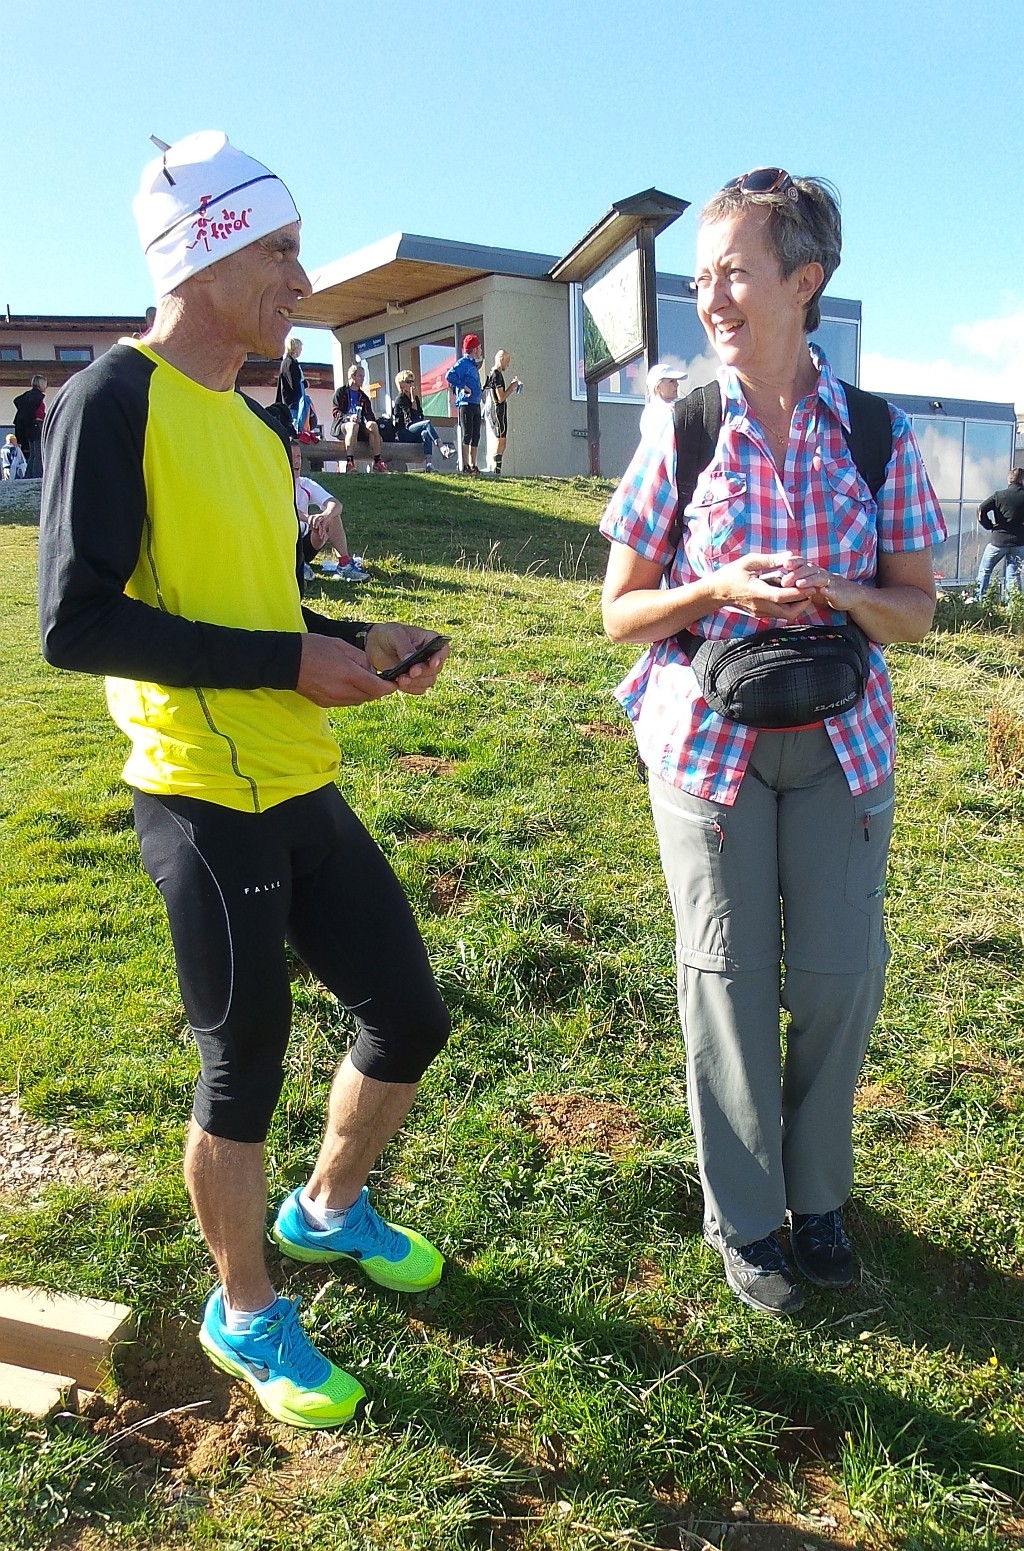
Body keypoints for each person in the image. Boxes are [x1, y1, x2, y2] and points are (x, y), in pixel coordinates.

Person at [38, 130, 453, 1429]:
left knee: (409, 1013)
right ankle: (243, 1306)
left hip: (297, 771)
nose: (302, 273)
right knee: (244, 1064)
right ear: (204, 254)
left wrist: (347, 641)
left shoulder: (256, 424)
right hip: (201, 791)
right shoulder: (109, 397)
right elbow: (76, 621)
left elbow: (253, 595)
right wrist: (288, 655)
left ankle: (325, 1208)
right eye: (278, 248)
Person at [600, 167, 944, 1317]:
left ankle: (820, 1196)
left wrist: (837, 591)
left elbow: (914, 608)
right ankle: (746, 1220)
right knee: (728, 982)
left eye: (735, 272)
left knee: (841, 977)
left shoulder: (876, 432)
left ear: (805, 281)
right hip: (706, 748)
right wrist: (718, 587)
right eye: (701, 279)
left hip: (844, 745)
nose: (713, 298)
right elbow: (618, 609)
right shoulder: (682, 426)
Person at [291, 440, 370, 581]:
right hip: (285, 544)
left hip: (305, 542)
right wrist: (308, 518)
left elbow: (336, 504)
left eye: (299, 457)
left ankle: (345, 565)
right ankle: (295, 564)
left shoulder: (305, 484)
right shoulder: (275, 485)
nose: (296, 462)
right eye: (292, 457)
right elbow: (286, 510)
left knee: (332, 516)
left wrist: (324, 516)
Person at [975, 467, 1024, 600]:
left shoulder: (999, 495)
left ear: (1009, 480)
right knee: (1014, 576)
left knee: (985, 571)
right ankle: (1012, 608)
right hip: (1019, 542)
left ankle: (980, 602)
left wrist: (989, 525)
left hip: (998, 540)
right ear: (1022, 480)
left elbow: (981, 509)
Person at [391, 370, 454, 472]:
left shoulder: (415, 398)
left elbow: (420, 415)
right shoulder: (400, 399)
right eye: (408, 381)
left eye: (413, 381)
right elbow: (408, 419)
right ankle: (442, 448)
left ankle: (429, 464)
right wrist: (412, 401)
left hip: (414, 429)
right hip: (405, 432)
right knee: (427, 424)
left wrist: (413, 400)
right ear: (402, 384)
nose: (412, 384)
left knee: (425, 433)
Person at [332, 364, 387, 472]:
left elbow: (370, 415)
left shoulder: (363, 397)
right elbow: (335, 412)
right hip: (343, 425)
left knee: (372, 425)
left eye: (363, 376)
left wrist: (377, 433)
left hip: (359, 427)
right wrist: (349, 417)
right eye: (360, 376)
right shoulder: (341, 392)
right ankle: (350, 462)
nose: (363, 379)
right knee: (353, 426)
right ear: (352, 376)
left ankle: (377, 462)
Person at [445, 333, 484, 474]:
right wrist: (463, 386)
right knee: (467, 434)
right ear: (473, 349)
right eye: (479, 348)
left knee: (476, 434)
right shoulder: (463, 363)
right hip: (466, 403)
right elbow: (449, 376)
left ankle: (474, 464)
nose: (481, 351)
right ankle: (466, 465)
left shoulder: (473, 365)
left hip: (475, 402)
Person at [482, 348, 521, 477]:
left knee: (502, 440)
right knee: (501, 440)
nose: (508, 365)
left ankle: (497, 467)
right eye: (507, 361)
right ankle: (496, 469)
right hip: (497, 410)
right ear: (501, 359)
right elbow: (500, 397)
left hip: (498, 410)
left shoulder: (494, 374)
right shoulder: (496, 374)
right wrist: (513, 387)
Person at [638, 363, 686, 445]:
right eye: (671, 381)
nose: (677, 384)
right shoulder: (653, 412)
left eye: (676, 381)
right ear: (658, 387)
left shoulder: (670, 409)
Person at [277, 336, 312, 435]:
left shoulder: (289, 362)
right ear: (295, 348)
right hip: (293, 403)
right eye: (300, 348)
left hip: (290, 401)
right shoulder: (290, 363)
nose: (301, 350)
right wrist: (304, 384)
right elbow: (294, 383)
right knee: (294, 424)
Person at [13, 373, 46, 477]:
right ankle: (37, 476)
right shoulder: (37, 396)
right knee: (38, 454)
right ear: (41, 384)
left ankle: (29, 476)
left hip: (29, 427)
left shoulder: (28, 395)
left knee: (33, 454)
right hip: (36, 426)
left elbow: (17, 400)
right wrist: (34, 417)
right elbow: (34, 410)